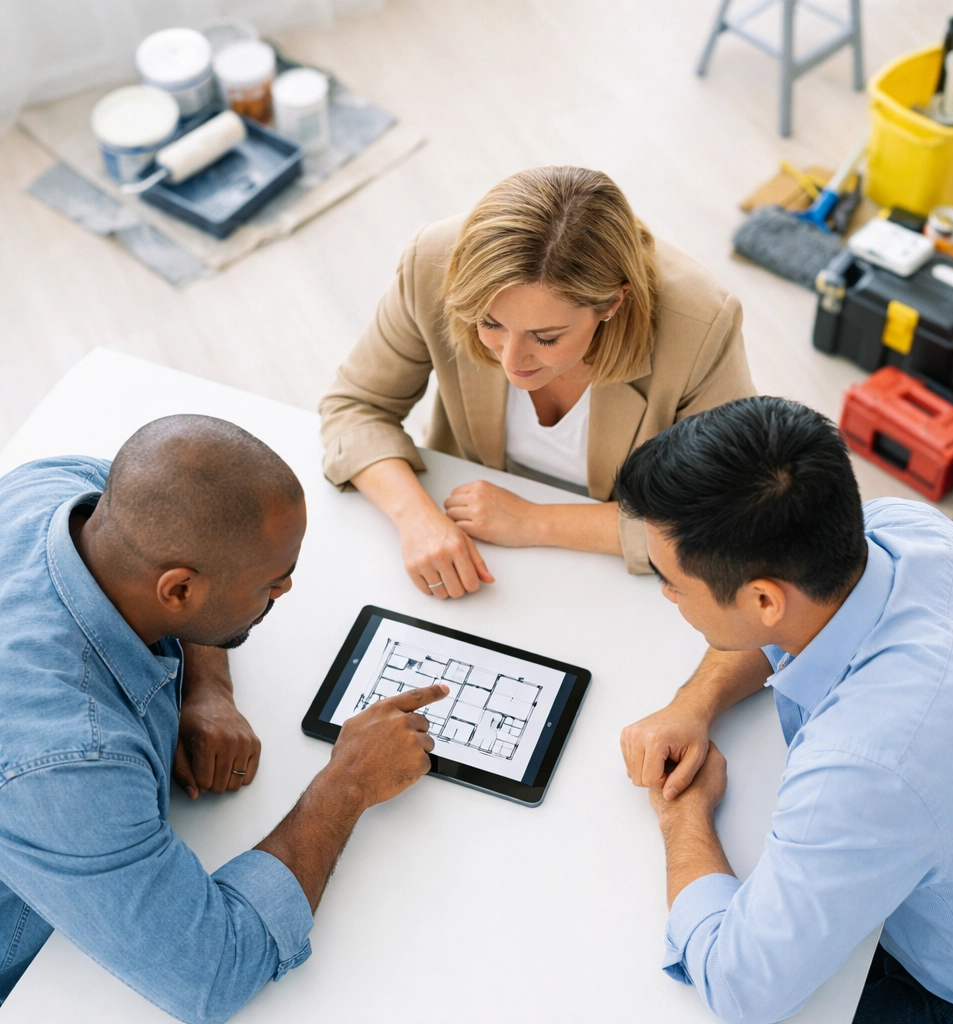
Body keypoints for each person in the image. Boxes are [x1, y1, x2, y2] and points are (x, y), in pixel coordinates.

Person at [0, 416, 447, 1023]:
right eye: (272, 583)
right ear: (180, 592)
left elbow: (162, 534)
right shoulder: (70, 761)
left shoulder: (53, 491)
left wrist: (207, 687)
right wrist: (347, 782)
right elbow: (211, 971)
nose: (286, 592)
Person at [615, 397, 953, 1024]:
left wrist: (684, 816)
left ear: (762, 599)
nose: (665, 592)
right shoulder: (911, 532)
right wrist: (694, 704)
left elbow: (743, 989)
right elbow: (794, 625)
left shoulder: (865, 764)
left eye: (673, 580)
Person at [319, 165, 755, 599]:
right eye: (489, 324)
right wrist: (415, 518)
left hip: (620, 573)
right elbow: (356, 407)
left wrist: (534, 521)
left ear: (613, 303)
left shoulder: (700, 324)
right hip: (472, 538)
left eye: (546, 338)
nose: (512, 361)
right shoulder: (431, 262)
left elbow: (725, 515)